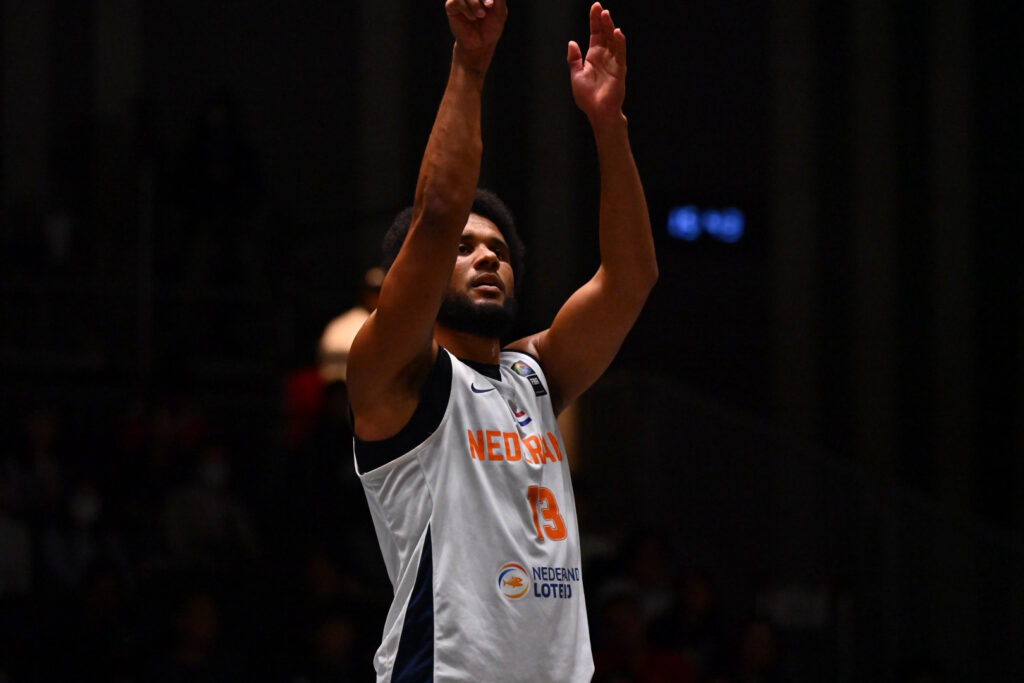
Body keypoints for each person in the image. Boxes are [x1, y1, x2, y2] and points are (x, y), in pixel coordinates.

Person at [346, 0, 657, 681]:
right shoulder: (395, 375)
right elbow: (436, 212)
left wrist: (609, 125)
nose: (488, 256)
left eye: (499, 249)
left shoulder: (535, 373)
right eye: (465, 248)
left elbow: (631, 278)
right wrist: (470, 62)